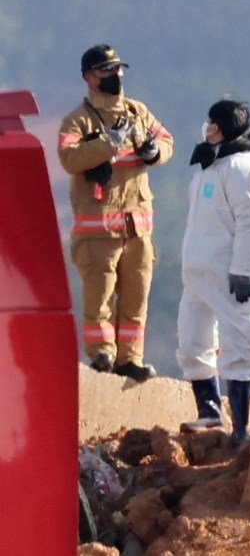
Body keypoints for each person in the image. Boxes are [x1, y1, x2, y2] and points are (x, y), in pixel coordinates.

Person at [57, 44, 174, 381]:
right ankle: (102, 356)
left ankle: (130, 359)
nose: (115, 76)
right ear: (89, 77)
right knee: (100, 299)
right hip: (98, 232)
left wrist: (153, 151)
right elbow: (69, 159)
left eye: (118, 69)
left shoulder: (138, 112)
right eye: (106, 70)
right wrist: (107, 143)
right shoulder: (77, 120)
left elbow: (167, 142)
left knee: (136, 300)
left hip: (137, 228)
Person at [177, 100, 250, 445]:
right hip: (200, 274)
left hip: (229, 274)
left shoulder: (242, 169)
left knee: (238, 344)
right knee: (193, 341)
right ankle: (209, 412)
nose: (207, 127)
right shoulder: (212, 165)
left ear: (223, 127)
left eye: (212, 123)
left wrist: (243, 271)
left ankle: (240, 428)